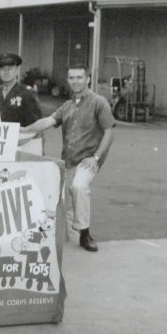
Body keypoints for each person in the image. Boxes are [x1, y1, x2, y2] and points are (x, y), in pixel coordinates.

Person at [23, 64, 115, 252]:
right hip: (68, 162)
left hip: (87, 160)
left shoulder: (99, 102)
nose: (75, 81)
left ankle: (85, 234)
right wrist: (23, 130)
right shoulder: (67, 106)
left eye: (79, 77)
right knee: (68, 205)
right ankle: (74, 244)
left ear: (88, 79)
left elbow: (109, 132)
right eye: (71, 78)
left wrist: (96, 158)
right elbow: (47, 122)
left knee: (79, 187)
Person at [0, 52, 42, 126]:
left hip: (20, 137)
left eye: (10, 68)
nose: (6, 72)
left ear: (17, 70)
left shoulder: (27, 93)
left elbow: (36, 124)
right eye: (2, 69)